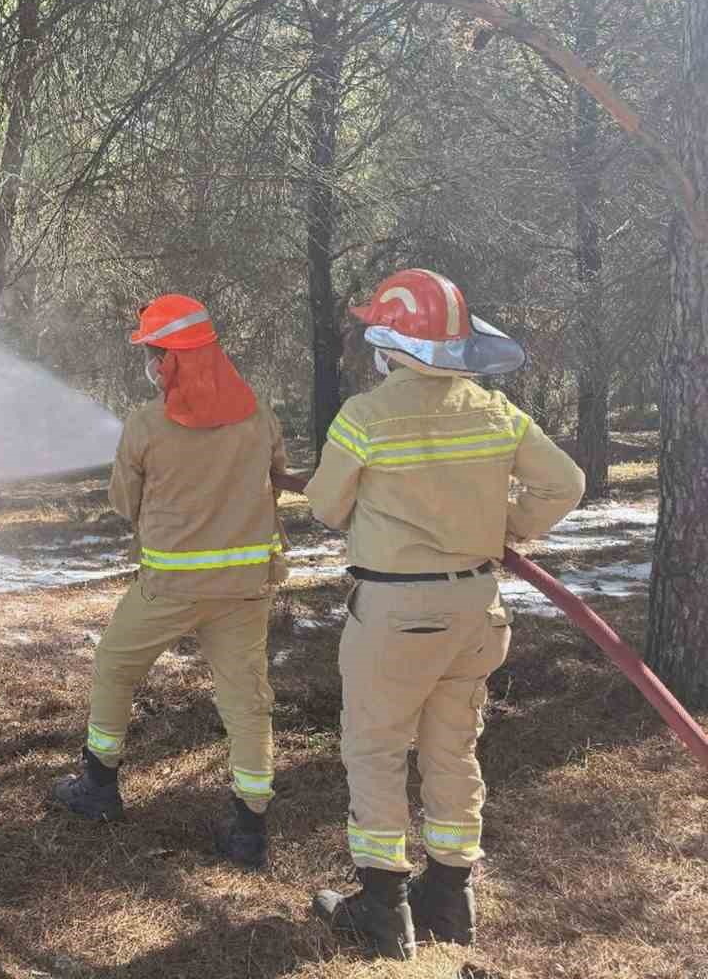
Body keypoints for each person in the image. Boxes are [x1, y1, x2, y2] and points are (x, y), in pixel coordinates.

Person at [305, 269, 584, 960]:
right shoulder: (494, 411)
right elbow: (567, 483)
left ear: (388, 340)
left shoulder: (366, 416)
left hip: (395, 612)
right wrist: (508, 525)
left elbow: (323, 507)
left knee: (373, 748)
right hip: (474, 609)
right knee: (453, 746)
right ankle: (450, 899)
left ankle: (381, 905)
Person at [50, 294, 287, 870]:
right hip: (244, 589)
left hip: (169, 590)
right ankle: (250, 826)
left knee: (114, 667)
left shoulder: (147, 425)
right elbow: (276, 482)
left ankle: (100, 788)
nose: (151, 366)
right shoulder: (259, 416)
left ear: (170, 363)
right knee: (246, 701)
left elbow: (124, 503)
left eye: (155, 355)